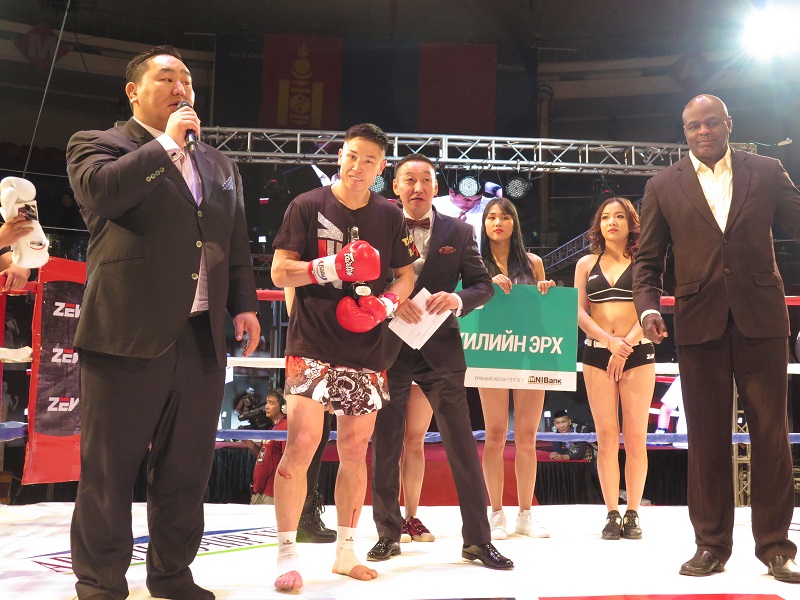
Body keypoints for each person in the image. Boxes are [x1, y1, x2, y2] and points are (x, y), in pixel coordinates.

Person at [66, 45, 260, 600]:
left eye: (188, 81)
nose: (182, 89)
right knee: (109, 470)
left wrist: (244, 304)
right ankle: (100, 582)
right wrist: (167, 145)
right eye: (167, 77)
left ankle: (172, 575)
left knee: (186, 470)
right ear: (133, 91)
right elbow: (104, 194)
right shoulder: (98, 145)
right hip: (124, 335)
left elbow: (233, 242)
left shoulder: (219, 164)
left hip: (201, 337)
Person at [633, 94, 800, 582]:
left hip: (761, 319)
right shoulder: (663, 184)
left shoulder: (766, 170)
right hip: (697, 321)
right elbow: (648, 262)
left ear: (728, 123)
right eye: (693, 126)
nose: (702, 131)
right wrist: (648, 307)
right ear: (684, 131)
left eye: (710, 123)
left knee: (771, 434)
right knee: (705, 437)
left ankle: (776, 548)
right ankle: (710, 545)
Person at [270, 123, 417, 591]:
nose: (358, 166)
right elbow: (279, 272)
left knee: (355, 451)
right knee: (301, 444)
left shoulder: (390, 215)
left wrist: (385, 305)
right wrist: (330, 266)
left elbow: (406, 275)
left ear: (381, 168)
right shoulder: (307, 205)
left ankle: (345, 553)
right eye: (352, 156)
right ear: (340, 156)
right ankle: (286, 554)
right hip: (312, 343)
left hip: (366, 347)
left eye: (369, 160)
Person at [369, 153, 513, 570]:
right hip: (391, 345)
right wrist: (390, 302)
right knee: (386, 444)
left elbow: (483, 285)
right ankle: (387, 534)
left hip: (442, 348)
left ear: (436, 186)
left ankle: (478, 541)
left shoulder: (459, 230)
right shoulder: (377, 226)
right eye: (409, 180)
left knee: (462, 444)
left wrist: (456, 299)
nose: (417, 187)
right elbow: (362, 283)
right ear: (395, 186)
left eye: (425, 180)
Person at [575, 197, 655, 541]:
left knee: (636, 438)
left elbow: (650, 306)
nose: (612, 222)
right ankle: (611, 512)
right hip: (598, 353)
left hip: (638, 352)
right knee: (606, 437)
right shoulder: (585, 263)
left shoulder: (644, 261)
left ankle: (633, 512)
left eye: (619, 216)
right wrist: (609, 342)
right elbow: (579, 311)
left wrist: (625, 347)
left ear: (631, 222)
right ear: (599, 224)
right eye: (606, 216)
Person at [477, 196, 555, 540]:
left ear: (514, 223)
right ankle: (496, 514)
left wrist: (545, 290)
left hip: (528, 352)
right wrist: (486, 285)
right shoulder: (475, 264)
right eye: (491, 217)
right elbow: (463, 304)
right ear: (484, 224)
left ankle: (525, 514)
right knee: (495, 434)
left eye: (505, 217)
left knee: (526, 435)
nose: (498, 223)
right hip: (491, 351)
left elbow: (541, 308)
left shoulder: (533, 262)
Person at [245, 390, 288, 504]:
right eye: (267, 402)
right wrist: (250, 444)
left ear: (282, 406)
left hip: (272, 492)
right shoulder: (272, 429)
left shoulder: (285, 426)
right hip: (260, 490)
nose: (267, 407)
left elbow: (288, 459)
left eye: (271, 403)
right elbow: (262, 456)